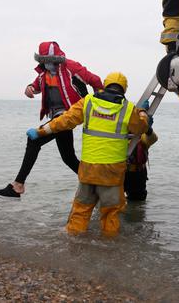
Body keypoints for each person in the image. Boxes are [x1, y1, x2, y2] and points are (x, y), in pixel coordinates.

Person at [26, 72, 149, 237]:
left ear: (105, 85)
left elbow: (64, 121)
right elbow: (141, 129)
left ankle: (73, 244)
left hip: (88, 169)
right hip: (112, 172)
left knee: (81, 209)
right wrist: (142, 113)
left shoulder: (87, 102)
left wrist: (40, 131)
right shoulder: (128, 109)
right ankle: (110, 249)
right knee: (110, 213)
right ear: (124, 89)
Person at [0, 41, 103, 199]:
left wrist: (99, 103)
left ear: (57, 58)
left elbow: (95, 80)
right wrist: (29, 88)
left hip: (70, 114)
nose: (47, 64)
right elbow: (36, 85)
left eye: (49, 60)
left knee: (34, 140)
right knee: (68, 158)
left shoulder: (72, 67)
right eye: (43, 60)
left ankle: (17, 186)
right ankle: (95, 186)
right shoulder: (43, 73)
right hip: (56, 116)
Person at [124, 102, 158, 201]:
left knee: (137, 200)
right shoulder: (119, 135)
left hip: (137, 174)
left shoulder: (141, 137)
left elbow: (153, 138)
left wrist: (147, 129)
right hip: (120, 172)